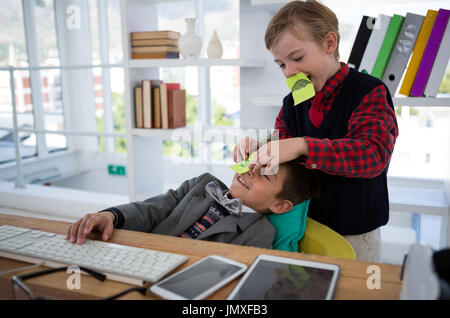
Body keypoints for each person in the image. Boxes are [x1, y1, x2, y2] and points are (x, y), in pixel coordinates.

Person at [233, 0, 398, 262]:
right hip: (305, 226)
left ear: (329, 43)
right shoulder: (294, 100)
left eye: (297, 58)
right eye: (281, 65)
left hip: (354, 232)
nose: (290, 72)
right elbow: (285, 152)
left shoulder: (369, 91)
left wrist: (304, 145)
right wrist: (261, 149)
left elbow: (373, 155)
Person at [66, 160, 320, 252]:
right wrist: (111, 215)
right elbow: (153, 209)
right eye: (253, 163)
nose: (251, 171)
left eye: (266, 174)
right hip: (140, 255)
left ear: (280, 206)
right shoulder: (202, 184)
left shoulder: (261, 233)